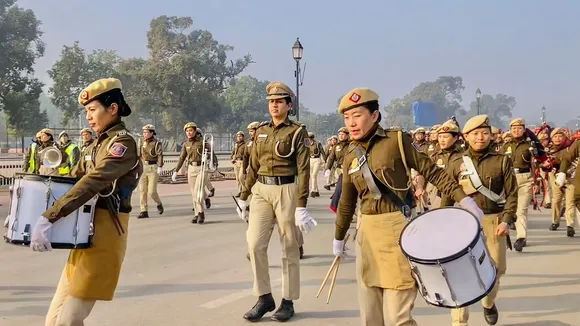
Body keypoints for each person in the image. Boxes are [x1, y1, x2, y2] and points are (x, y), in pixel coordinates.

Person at [333, 88, 483, 326]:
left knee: (397, 317)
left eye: (357, 115)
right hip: (366, 235)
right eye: (347, 118)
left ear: (374, 115)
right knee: (370, 316)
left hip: (397, 230)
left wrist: (464, 198)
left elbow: (432, 171)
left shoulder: (396, 141)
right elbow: (347, 201)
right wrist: (339, 238)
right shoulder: (350, 153)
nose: (351, 123)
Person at [30, 77, 142, 326]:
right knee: (53, 321)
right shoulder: (94, 146)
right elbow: (72, 179)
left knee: (67, 322)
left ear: (112, 108)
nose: (89, 117)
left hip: (105, 233)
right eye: (86, 111)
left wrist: (51, 215)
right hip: (82, 233)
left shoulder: (122, 143)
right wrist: (33, 208)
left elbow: (93, 180)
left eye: (93, 110)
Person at [236, 81, 316, 322]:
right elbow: (252, 166)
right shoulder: (261, 131)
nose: (274, 105)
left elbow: (303, 169)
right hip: (261, 189)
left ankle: (288, 301)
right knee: (254, 243)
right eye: (271, 101)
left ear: (288, 105)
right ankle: (264, 297)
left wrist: (301, 204)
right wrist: (243, 196)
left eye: (279, 101)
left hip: (287, 190)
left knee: (289, 247)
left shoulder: (297, 132)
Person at [440, 114, 517, 326]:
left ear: (491, 135)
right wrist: (441, 224)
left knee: (496, 270)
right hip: (463, 223)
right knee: (460, 273)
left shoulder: (501, 160)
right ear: (466, 136)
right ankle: (459, 321)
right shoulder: (456, 162)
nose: (480, 137)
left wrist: (506, 220)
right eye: (475, 134)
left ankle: (489, 302)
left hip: (494, 222)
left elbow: (512, 194)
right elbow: (448, 193)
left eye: (485, 133)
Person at [500, 118, 545, 251]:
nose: (516, 130)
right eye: (514, 128)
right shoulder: (506, 146)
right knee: (508, 208)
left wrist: (536, 182)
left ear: (524, 130)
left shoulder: (529, 146)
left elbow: (535, 165)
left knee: (521, 210)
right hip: (509, 180)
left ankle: (521, 237)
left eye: (519, 128)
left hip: (525, 179)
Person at [172, 122, 208, 224]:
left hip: (202, 168)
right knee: (193, 193)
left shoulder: (203, 142)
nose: (189, 132)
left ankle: (201, 213)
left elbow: (211, 154)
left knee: (197, 192)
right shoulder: (186, 144)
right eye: (187, 131)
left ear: (195, 131)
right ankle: (197, 214)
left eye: (191, 130)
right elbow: (182, 157)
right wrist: (176, 170)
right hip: (191, 168)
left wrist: (214, 165)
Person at [546, 128, 576, 236]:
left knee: (570, 202)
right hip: (555, 176)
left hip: (570, 176)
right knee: (556, 200)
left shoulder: (571, 147)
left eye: (560, 136)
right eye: (555, 136)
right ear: (552, 138)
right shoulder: (549, 150)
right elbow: (543, 163)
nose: (558, 139)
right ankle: (555, 221)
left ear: (564, 137)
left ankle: (570, 225)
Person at [137, 124, 164, 218]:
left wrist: (160, 166)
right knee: (142, 190)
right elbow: (138, 154)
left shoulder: (157, 143)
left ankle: (158, 203)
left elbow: (160, 154)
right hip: (143, 167)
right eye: (144, 132)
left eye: (147, 132)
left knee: (152, 191)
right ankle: (144, 210)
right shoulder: (141, 142)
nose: (145, 134)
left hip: (153, 167)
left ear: (152, 133)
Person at [307, 131, 326, 198]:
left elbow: (322, 152)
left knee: (314, 175)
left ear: (312, 138)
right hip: (309, 160)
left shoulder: (317, 144)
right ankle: (316, 190)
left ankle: (312, 190)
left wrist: (325, 160)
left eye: (309, 138)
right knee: (312, 176)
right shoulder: (306, 144)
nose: (308, 139)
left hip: (317, 160)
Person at [231, 131, 247, 197]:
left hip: (242, 162)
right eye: (238, 136)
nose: (239, 138)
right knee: (237, 178)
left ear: (243, 137)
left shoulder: (245, 144)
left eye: (240, 136)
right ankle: (240, 191)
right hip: (236, 162)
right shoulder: (236, 145)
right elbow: (233, 153)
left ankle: (245, 190)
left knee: (241, 177)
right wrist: (232, 158)